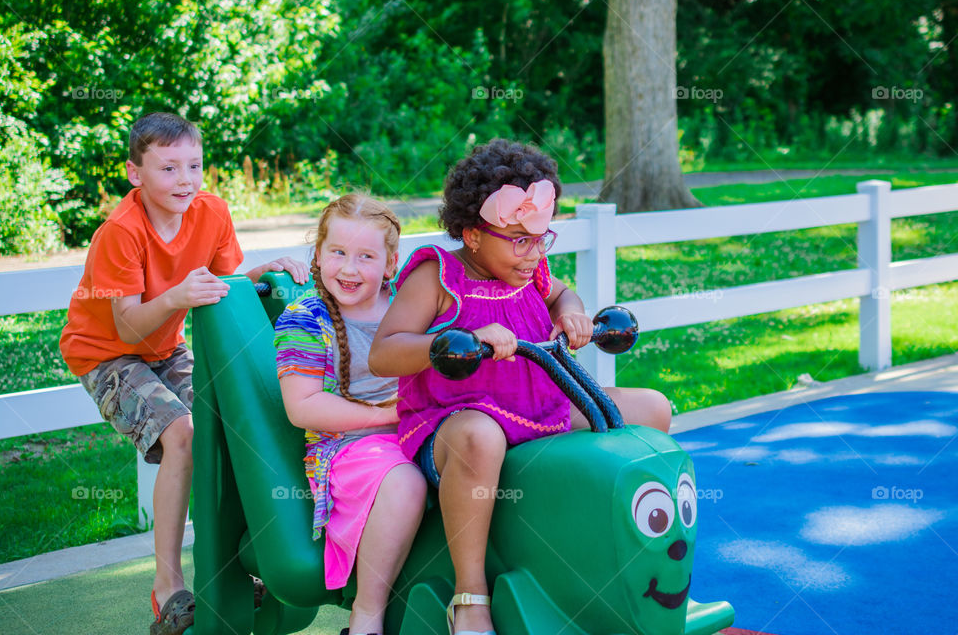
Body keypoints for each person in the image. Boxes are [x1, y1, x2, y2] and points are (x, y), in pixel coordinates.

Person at [368, 139, 672, 635]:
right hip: (452, 422)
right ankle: (470, 596)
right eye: (518, 240)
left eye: (540, 238)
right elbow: (383, 353)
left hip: (536, 409)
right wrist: (456, 339)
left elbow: (562, 292)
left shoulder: (530, 270)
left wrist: (571, 313)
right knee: (480, 435)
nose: (533, 253)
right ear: (472, 234)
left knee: (652, 409)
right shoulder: (437, 276)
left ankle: (614, 555)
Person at [59, 112, 309, 635]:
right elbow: (127, 326)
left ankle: (238, 564)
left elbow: (224, 282)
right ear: (135, 173)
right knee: (183, 434)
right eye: (168, 168)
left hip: (166, 346)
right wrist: (176, 296)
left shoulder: (211, 211)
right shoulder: (121, 233)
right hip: (106, 355)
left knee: (231, 427)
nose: (185, 180)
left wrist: (261, 274)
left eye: (194, 165)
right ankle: (167, 584)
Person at [274, 194, 427, 635]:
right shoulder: (306, 319)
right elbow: (303, 406)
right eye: (338, 252)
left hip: (419, 427)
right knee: (406, 482)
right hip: (348, 447)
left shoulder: (409, 306)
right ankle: (367, 613)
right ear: (319, 254)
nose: (349, 268)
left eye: (366, 256)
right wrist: (391, 415)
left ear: (391, 263)